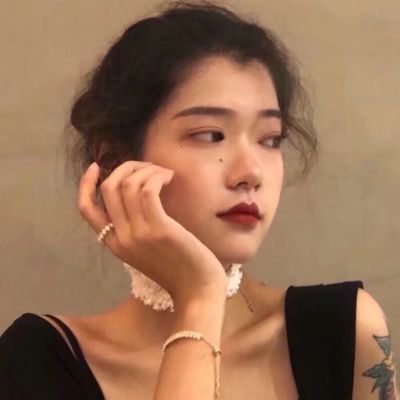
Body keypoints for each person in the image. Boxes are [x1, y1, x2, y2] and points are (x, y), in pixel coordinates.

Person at [0, 1, 398, 399]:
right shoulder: (38, 359)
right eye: (210, 135)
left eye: (270, 139)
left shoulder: (344, 331)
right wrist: (200, 299)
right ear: (115, 160)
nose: (251, 172)